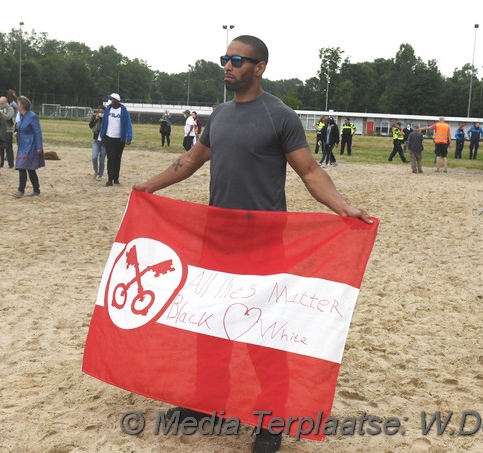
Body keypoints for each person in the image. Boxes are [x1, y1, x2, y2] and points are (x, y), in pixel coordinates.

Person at [133, 35, 371, 453]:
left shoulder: (280, 116)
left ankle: (270, 422)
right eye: (224, 58)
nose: (227, 65)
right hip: (217, 241)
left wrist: (344, 208)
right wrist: (148, 187)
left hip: (262, 245)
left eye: (237, 60)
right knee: (207, 327)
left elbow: (311, 172)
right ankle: (206, 406)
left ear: (259, 67)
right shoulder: (220, 114)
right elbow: (189, 161)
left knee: (264, 336)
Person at [13, 96, 45, 197]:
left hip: (31, 146)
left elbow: (38, 132)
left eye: (18, 104)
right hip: (22, 146)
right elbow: (21, 128)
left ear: (23, 106)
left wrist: (39, 147)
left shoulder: (32, 116)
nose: (17, 106)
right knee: (27, 168)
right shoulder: (21, 116)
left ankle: (21, 190)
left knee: (24, 167)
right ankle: (36, 189)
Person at [98, 93, 133, 186]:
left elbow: (128, 124)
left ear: (117, 101)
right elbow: (104, 124)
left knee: (117, 159)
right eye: (110, 100)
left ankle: (116, 178)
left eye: (113, 100)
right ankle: (110, 179)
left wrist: (129, 137)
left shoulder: (124, 111)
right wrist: (101, 136)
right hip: (109, 137)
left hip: (119, 139)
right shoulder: (108, 109)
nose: (111, 101)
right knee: (111, 158)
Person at [89, 105, 106, 180]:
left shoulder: (107, 119)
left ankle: (100, 174)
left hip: (104, 142)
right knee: (94, 157)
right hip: (96, 140)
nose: (101, 114)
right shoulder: (95, 117)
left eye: (103, 113)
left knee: (102, 159)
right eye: (100, 112)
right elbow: (90, 125)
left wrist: (103, 118)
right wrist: (96, 119)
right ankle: (96, 171)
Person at [0, 96, 15, 168]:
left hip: (8, 130)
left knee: (8, 148)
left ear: (6, 102)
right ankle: (0, 163)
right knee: (0, 148)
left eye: (2, 103)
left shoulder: (10, 108)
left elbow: (8, 117)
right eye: (0, 103)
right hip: (0, 131)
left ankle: (11, 164)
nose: (0, 104)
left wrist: (0, 113)